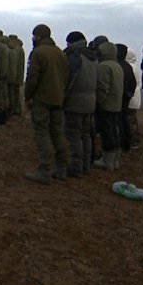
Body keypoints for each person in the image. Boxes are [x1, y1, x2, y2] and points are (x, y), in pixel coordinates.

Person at [23, 24, 69, 184]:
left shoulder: (38, 53)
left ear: (38, 36)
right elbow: (66, 77)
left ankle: (45, 170)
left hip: (42, 100)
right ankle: (62, 168)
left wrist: (27, 96)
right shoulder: (60, 53)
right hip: (58, 99)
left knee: (41, 134)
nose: (32, 39)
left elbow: (32, 78)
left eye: (33, 36)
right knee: (57, 133)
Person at [62, 31, 97, 178]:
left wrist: (63, 99)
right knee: (86, 136)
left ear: (71, 43)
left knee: (74, 136)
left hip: (75, 103)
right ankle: (86, 166)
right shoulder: (93, 56)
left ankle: (76, 168)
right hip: (90, 102)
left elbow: (70, 80)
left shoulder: (75, 57)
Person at [93, 41, 124, 170]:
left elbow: (102, 88)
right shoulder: (117, 66)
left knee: (107, 132)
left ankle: (107, 161)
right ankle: (115, 160)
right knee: (114, 131)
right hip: (116, 104)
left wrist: (98, 102)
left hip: (106, 105)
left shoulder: (104, 66)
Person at [116, 43, 137, 153]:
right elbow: (133, 84)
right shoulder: (127, 66)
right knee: (124, 121)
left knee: (118, 122)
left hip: (117, 98)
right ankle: (126, 144)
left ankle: (121, 145)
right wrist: (128, 96)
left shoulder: (117, 65)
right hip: (124, 98)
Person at [124, 47, 142, 150]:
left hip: (131, 98)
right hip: (135, 98)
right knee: (132, 120)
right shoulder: (134, 66)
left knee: (130, 121)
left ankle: (133, 142)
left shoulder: (129, 67)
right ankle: (134, 141)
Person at [8, 35, 26, 117]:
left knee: (13, 92)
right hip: (18, 73)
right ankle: (17, 109)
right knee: (16, 92)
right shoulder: (20, 48)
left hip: (15, 74)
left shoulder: (16, 49)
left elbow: (14, 63)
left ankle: (14, 109)